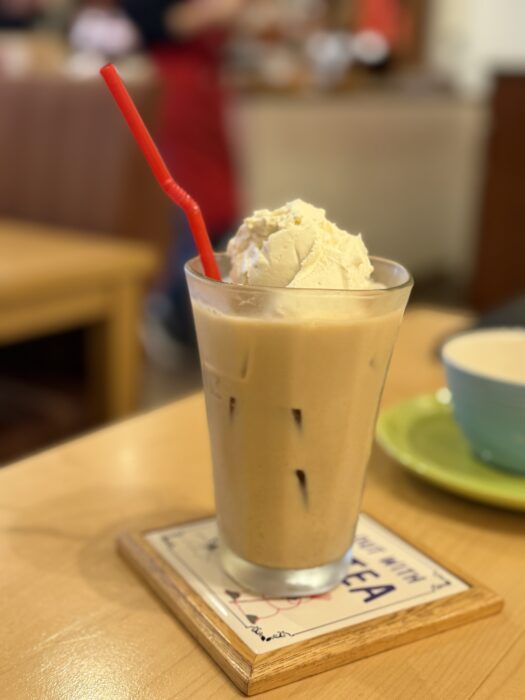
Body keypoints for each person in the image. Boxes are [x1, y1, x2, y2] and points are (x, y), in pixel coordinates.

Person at [122, 0, 244, 355]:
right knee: (193, 204)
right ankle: (171, 311)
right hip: (175, 89)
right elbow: (154, 19)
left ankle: (192, 319)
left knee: (221, 204)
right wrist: (217, 10)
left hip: (206, 88)